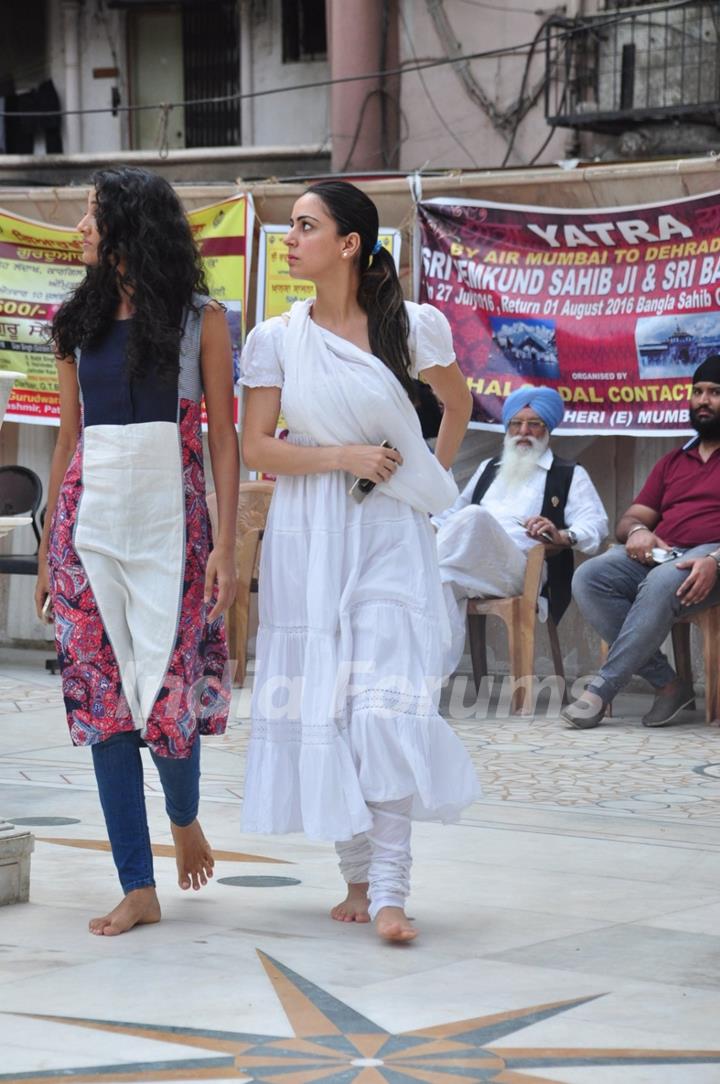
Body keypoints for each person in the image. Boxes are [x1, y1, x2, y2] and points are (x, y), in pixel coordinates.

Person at [239, 180, 479, 943]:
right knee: (327, 703)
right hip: (311, 529)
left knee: (385, 704)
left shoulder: (414, 327)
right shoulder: (275, 338)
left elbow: (459, 404)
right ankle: (354, 875)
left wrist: (419, 480)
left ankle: (390, 893)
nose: (290, 237)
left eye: (306, 226)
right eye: (290, 226)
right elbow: (256, 445)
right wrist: (344, 456)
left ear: (349, 244)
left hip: (389, 538)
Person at [35, 167, 238, 935]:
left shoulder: (202, 321)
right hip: (89, 532)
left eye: (90, 216)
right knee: (102, 707)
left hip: (175, 531)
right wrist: (55, 540)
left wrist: (226, 546)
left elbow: (222, 439)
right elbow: (69, 437)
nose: (81, 229)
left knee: (168, 695)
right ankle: (137, 885)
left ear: (127, 227)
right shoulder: (73, 321)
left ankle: (183, 814)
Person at [562, 355, 720, 729]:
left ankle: (601, 690)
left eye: (715, 393)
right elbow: (631, 518)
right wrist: (638, 533)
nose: (702, 400)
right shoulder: (673, 461)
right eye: (697, 391)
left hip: (710, 559)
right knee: (590, 577)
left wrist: (716, 559)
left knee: (665, 579)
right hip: (667, 553)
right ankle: (669, 685)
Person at [434, 386, 608, 675]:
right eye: (516, 423)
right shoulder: (489, 468)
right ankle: (428, 681)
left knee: (474, 517)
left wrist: (561, 534)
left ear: (547, 429)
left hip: (522, 570)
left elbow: (595, 526)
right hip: (468, 565)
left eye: (534, 424)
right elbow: (448, 516)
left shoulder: (568, 473)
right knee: (438, 583)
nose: (523, 431)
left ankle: (419, 567)